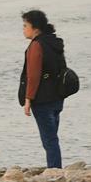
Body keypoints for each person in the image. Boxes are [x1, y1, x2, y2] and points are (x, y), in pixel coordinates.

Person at [18, 10, 67, 168]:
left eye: (25, 26)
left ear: (35, 28)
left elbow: (33, 75)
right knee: (52, 137)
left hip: (42, 100)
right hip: (57, 97)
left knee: (49, 140)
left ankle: (54, 169)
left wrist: (28, 100)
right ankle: (55, 168)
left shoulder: (36, 45)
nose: (23, 29)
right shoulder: (54, 42)